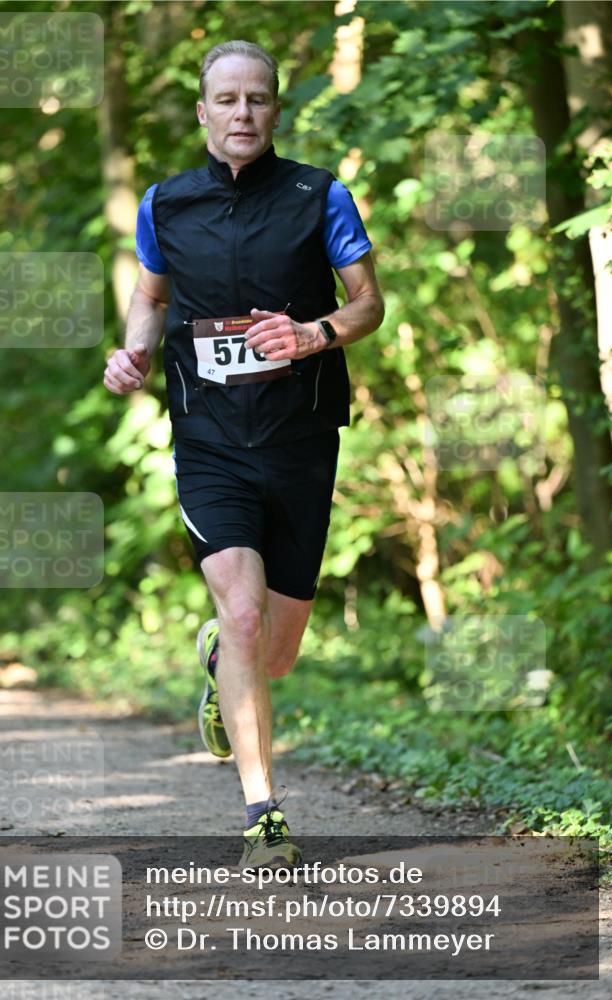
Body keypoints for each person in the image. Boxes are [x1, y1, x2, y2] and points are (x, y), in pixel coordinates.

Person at [103, 40, 384, 868]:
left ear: (275, 110)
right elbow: (150, 297)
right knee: (246, 611)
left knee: (278, 648)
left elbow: (367, 303)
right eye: (226, 101)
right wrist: (134, 353)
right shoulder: (165, 204)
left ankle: (223, 661)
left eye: (257, 100)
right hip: (209, 439)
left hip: (299, 438)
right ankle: (263, 812)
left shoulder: (318, 195)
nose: (242, 115)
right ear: (202, 113)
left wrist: (313, 333)